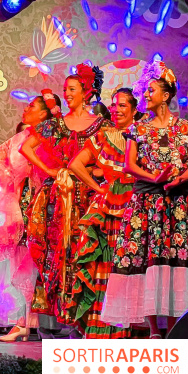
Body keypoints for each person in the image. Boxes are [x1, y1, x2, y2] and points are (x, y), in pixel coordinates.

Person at [101, 61, 188, 337]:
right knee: (146, 260)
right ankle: (154, 330)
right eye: (145, 90)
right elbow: (129, 165)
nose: (145, 95)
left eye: (150, 90)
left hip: (177, 206)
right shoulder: (138, 129)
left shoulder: (186, 129)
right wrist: (153, 177)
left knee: (173, 259)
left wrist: (180, 178)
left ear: (166, 95)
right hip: (147, 204)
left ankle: (174, 329)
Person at [20, 63, 110, 335]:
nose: (67, 94)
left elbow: (109, 158)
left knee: (84, 254)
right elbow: (27, 147)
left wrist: (93, 171)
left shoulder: (100, 125)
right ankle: (58, 319)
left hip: (87, 196)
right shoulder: (54, 124)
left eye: (72, 89)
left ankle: (84, 317)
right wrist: (50, 170)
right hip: (58, 197)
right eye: (65, 90)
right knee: (56, 253)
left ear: (87, 91)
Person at [0, 94, 60, 342]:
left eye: (32, 106)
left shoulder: (49, 138)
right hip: (18, 201)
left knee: (32, 262)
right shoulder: (22, 137)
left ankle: (30, 321)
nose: (26, 109)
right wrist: (7, 178)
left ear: (44, 113)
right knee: (16, 262)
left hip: (38, 202)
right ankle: (21, 321)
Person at [66, 88, 143, 338]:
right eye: (114, 105)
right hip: (107, 205)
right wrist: (96, 186)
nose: (116, 109)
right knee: (104, 265)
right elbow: (75, 164)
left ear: (133, 110)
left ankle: (128, 326)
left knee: (128, 266)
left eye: (122, 105)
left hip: (133, 206)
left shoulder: (142, 136)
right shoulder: (102, 136)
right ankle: (101, 326)